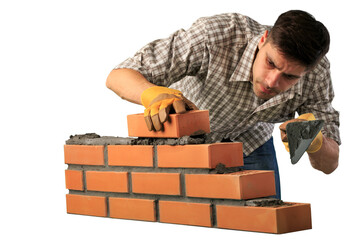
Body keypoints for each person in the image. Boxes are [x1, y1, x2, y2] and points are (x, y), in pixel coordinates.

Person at [106, 10, 341, 199]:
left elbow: (330, 164)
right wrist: (152, 94)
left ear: (307, 73)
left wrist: (315, 141)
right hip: (188, 141)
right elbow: (118, 76)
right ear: (262, 40)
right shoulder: (216, 35)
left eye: (289, 77)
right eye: (270, 63)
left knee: (262, 223)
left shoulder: (317, 75)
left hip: (250, 142)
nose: (272, 82)